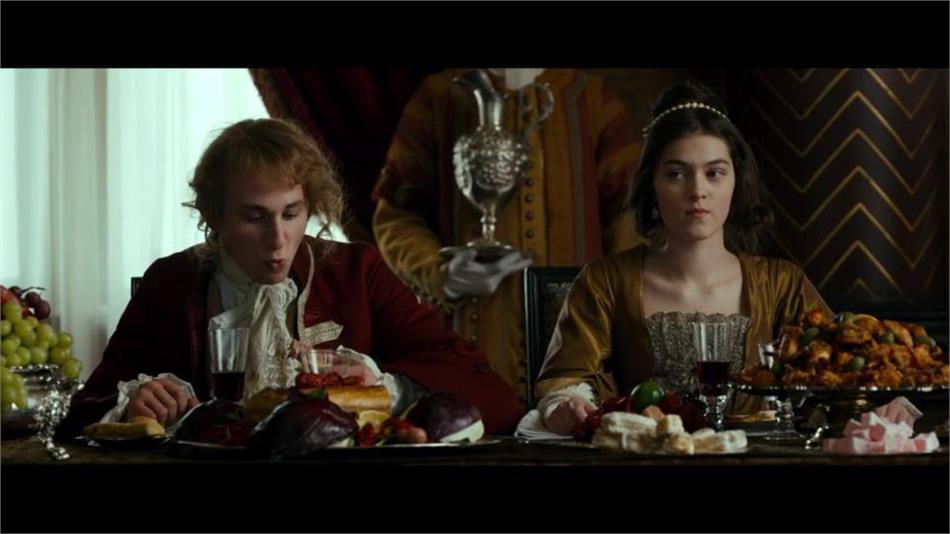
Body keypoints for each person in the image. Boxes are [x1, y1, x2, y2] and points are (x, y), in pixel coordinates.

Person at [58, 118, 523, 438]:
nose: (278, 240)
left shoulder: (358, 272)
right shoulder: (171, 281)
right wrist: (134, 404)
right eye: (253, 217)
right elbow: (82, 411)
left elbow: (492, 394)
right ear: (214, 214)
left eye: (291, 213)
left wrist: (382, 388)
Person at [524, 81, 832, 435]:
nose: (697, 191)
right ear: (652, 184)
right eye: (676, 174)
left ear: (736, 181)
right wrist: (566, 405)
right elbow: (566, 379)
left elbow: (837, 369)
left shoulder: (782, 284)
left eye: (714, 173)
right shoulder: (604, 281)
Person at [372, 68, 645, 402]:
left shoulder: (593, 99)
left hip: (576, 348)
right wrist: (440, 274)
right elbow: (396, 214)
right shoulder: (438, 96)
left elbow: (632, 218)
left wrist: (614, 311)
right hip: (468, 340)